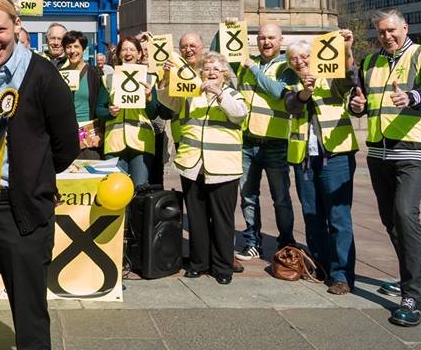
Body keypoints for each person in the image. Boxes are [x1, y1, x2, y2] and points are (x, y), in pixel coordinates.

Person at [0, 0, 79, 350]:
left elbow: (66, 144)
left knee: (30, 317)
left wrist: (32, 178)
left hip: (21, 212)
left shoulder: (43, 74)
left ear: (17, 25)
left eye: (0, 29)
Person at [350, 9, 421, 327]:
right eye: (380, 32)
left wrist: (413, 96)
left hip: (414, 148)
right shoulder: (370, 62)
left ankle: (413, 296)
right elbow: (359, 97)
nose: (386, 36)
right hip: (379, 150)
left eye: (391, 30)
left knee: (405, 213)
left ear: (405, 27)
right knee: (391, 221)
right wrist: (356, 105)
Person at [159, 52, 246, 284]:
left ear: (225, 74)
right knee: (196, 218)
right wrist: (167, 78)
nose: (211, 72)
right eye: (207, 68)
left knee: (222, 219)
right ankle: (199, 263)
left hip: (223, 169)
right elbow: (168, 102)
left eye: (216, 69)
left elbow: (239, 114)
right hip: (192, 165)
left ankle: (222, 267)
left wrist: (218, 94)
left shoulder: (232, 94)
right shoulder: (192, 95)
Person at [283, 33, 358, 295]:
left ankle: (342, 275)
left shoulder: (330, 75)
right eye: (294, 59)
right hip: (304, 158)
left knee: (338, 216)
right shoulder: (290, 81)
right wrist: (304, 92)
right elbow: (291, 106)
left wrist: (347, 51)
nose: (300, 62)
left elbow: (349, 80)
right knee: (312, 215)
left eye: (304, 57)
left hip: (335, 155)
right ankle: (321, 265)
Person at [231, 23, 296, 261]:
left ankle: (286, 243)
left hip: (275, 140)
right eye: (261, 38)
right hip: (248, 140)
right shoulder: (246, 65)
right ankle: (252, 241)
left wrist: (255, 70)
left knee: (281, 197)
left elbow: (280, 92)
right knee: (247, 195)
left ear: (281, 41)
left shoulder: (287, 65)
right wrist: (225, 29)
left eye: (271, 38)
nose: (266, 42)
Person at [96, 36, 160, 187]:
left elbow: (153, 114)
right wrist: (109, 112)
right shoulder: (108, 79)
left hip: (141, 142)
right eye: (124, 49)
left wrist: (149, 98)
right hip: (114, 142)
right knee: (116, 189)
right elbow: (99, 109)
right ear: (118, 54)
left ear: (139, 54)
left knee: (140, 188)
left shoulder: (149, 79)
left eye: (132, 49)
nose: (128, 52)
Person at [60, 31, 103, 159]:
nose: (72, 51)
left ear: (83, 49)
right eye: (68, 47)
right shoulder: (59, 74)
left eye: (76, 46)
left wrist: (101, 132)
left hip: (89, 137)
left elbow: (102, 105)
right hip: (66, 135)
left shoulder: (95, 74)